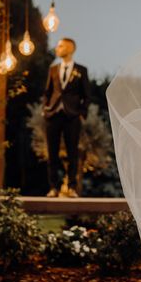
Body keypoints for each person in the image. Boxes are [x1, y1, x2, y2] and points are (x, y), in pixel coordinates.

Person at [42, 38, 91, 198]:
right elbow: (47, 92)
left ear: (70, 49)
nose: (57, 48)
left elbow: (87, 95)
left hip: (72, 116)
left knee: (72, 153)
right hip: (53, 114)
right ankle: (53, 187)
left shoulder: (81, 70)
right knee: (52, 152)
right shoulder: (53, 69)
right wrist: (46, 109)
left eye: (61, 46)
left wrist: (82, 113)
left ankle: (71, 187)